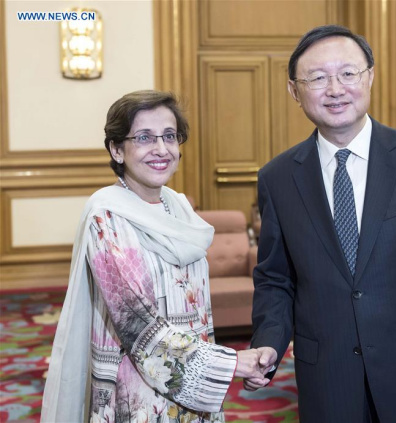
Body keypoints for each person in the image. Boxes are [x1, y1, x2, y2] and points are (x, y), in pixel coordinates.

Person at [244, 25, 396, 423]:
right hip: (328, 378)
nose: (335, 89)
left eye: (348, 73)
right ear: (295, 91)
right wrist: (269, 343)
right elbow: (276, 278)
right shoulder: (277, 177)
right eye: (318, 78)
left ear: (371, 76)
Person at [41, 90, 269, 423]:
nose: (161, 150)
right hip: (138, 392)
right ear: (117, 149)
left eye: (169, 136)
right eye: (145, 138)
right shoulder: (107, 218)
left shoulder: (179, 209)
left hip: (193, 390)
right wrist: (231, 364)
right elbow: (137, 324)